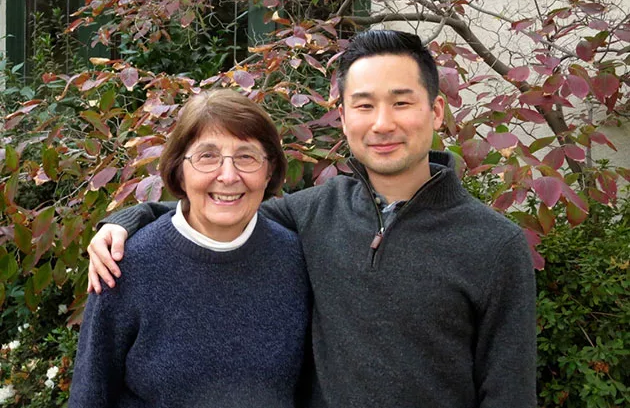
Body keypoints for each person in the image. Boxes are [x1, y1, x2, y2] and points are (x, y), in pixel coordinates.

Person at [87, 30, 536, 408]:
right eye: (363, 105)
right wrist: (128, 220)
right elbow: (221, 209)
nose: (381, 124)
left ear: (435, 111)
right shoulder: (316, 211)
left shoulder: (495, 245)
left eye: (401, 103)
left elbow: (509, 392)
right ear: (342, 118)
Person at [70, 90, 311, 407]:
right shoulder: (125, 265)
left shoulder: (296, 259)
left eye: (246, 156)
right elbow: (92, 394)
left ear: (269, 170)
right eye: (207, 156)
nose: (228, 176)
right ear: (179, 170)